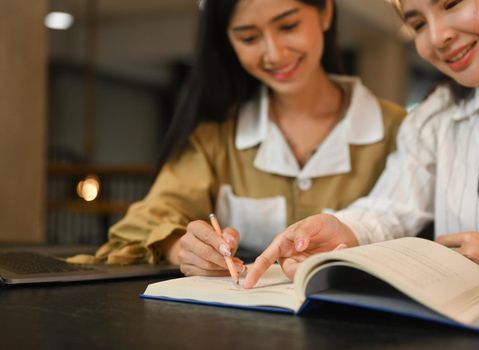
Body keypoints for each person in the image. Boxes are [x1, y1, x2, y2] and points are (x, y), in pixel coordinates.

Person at [68, 0, 405, 276]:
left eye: (288, 26)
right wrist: (182, 248)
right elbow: (143, 224)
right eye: (248, 37)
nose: (274, 53)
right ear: (228, 42)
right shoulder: (216, 136)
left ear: (326, 11)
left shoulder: (402, 130)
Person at [244, 0, 479, 288]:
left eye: (451, 3)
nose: (438, 37)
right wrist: (339, 230)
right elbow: (389, 210)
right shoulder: (432, 120)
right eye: (418, 25)